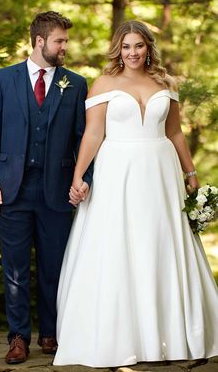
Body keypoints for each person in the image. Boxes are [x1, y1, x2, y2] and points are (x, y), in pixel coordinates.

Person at [53, 20, 218, 367]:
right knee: (118, 243)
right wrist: (79, 175)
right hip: (117, 172)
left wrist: (191, 174)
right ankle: (122, 337)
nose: (132, 53)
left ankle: (170, 334)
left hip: (160, 171)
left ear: (148, 48)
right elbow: (93, 135)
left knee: (161, 241)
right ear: (118, 49)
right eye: (126, 47)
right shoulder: (103, 83)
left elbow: (175, 133)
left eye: (139, 46)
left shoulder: (165, 83)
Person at [0, 11, 92, 364]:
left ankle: (50, 333)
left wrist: (83, 181)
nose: (65, 47)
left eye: (65, 41)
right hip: (10, 189)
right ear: (40, 41)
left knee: (54, 267)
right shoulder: (5, 79)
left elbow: (84, 138)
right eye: (59, 40)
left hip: (57, 190)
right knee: (14, 269)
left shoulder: (75, 83)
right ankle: (17, 338)